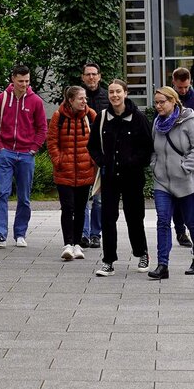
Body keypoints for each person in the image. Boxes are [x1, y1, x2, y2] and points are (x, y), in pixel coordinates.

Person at [88, 79, 153, 276]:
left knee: (134, 218)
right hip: (109, 177)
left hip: (132, 177)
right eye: (111, 92)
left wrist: (132, 162)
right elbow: (92, 145)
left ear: (126, 93)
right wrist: (103, 161)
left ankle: (142, 253)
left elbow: (147, 148)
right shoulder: (102, 117)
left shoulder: (138, 118)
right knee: (108, 219)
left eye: (118, 92)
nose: (114, 96)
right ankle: (108, 260)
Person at [0, 66, 48, 248]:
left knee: (24, 197)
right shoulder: (1, 99)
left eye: (27, 81)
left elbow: (42, 128)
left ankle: (20, 233)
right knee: (1, 193)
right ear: (13, 79)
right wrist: (0, 146)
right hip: (6, 153)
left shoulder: (35, 101)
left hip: (26, 154)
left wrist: (34, 148)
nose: (24, 84)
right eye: (21, 81)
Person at [148, 86, 194, 280]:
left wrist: (185, 167)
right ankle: (162, 265)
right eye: (156, 102)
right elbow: (154, 149)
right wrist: (154, 165)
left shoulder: (190, 121)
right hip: (162, 181)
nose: (158, 106)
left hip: (186, 181)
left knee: (192, 222)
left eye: (162, 102)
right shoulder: (157, 123)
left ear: (173, 101)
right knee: (163, 221)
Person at [47, 86, 98, 262]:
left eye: (85, 98)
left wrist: (92, 160)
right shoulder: (58, 116)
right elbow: (52, 141)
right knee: (67, 208)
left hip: (85, 170)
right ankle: (67, 244)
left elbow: (98, 139)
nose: (85, 101)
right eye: (81, 99)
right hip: (64, 171)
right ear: (70, 100)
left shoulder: (90, 115)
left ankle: (77, 244)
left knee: (81, 208)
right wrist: (58, 160)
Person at [171, 67, 194, 248]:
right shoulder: (169, 99)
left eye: (186, 87)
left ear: (190, 82)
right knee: (178, 197)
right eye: (180, 88)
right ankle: (179, 230)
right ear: (174, 84)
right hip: (175, 153)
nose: (183, 91)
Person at [80, 63, 108, 250]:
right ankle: (83, 233)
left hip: (101, 153)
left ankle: (96, 233)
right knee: (82, 197)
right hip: (81, 153)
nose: (91, 77)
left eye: (94, 74)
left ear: (99, 76)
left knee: (98, 198)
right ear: (83, 77)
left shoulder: (108, 97)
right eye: (88, 74)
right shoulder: (77, 97)